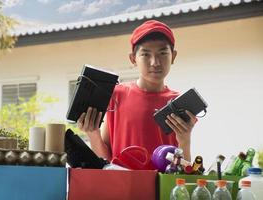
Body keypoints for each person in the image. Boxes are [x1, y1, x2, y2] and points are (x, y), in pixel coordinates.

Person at [77, 20, 197, 165]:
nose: (155, 62)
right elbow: (105, 161)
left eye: (163, 53)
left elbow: (184, 171)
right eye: (146, 55)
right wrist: (92, 133)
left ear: (174, 56)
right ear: (133, 59)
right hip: (122, 185)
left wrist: (185, 140)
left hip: (162, 186)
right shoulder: (116, 95)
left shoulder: (179, 103)